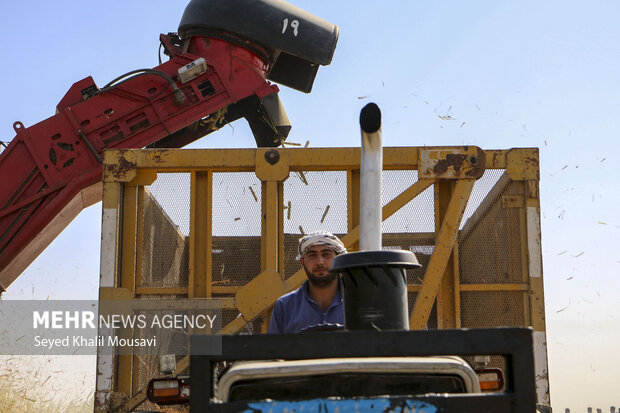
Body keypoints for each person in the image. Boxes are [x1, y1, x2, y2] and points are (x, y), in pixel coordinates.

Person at [267, 231, 347, 334]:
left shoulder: (359, 303)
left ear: (338, 259)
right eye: (312, 255)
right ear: (302, 262)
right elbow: (274, 348)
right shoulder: (285, 306)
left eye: (326, 254)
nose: (319, 262)